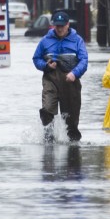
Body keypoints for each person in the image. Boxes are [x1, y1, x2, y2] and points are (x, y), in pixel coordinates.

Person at [32, 10, 89, 142]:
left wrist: (74, 74)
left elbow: (84, 61)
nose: (59, 28)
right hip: (50, 80)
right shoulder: (45, 40)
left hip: (70, 81)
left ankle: (73, 145)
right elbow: (36, 59)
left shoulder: (77, 41)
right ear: (53, 26)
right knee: (47, 109)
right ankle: (48, 138)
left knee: (70, 118)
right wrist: (46, 66)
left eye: (62, 26)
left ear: (68, 25)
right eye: (57, 26)